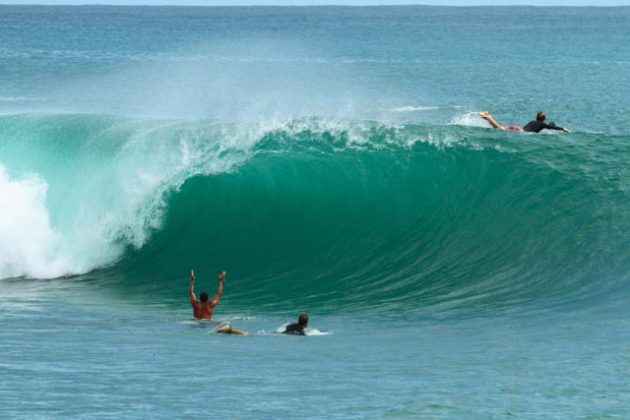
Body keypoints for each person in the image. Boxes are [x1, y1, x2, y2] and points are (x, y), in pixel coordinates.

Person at [479, 111, 569, 133]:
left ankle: (487, 115)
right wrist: (563, 129)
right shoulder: (542, 124)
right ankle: (489, 117)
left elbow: (549, 125)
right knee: (499, 128)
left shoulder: (533, 122)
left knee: (499, 128)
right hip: (521, 131)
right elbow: (552, 127)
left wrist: (551, 124)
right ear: (544, 119)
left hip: (518, 128)